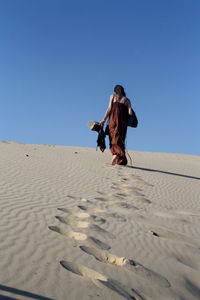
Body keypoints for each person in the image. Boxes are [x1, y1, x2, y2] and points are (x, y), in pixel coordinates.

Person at [100, 85, 133, 165]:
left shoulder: (113, 96)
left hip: (113, 120)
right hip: (121, 122)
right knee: (118, 138)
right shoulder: (127, 100)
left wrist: (103, 120)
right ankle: (118, 159)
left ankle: (115, 157)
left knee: (114, 137)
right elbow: (130, 113)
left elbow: (109, 108)